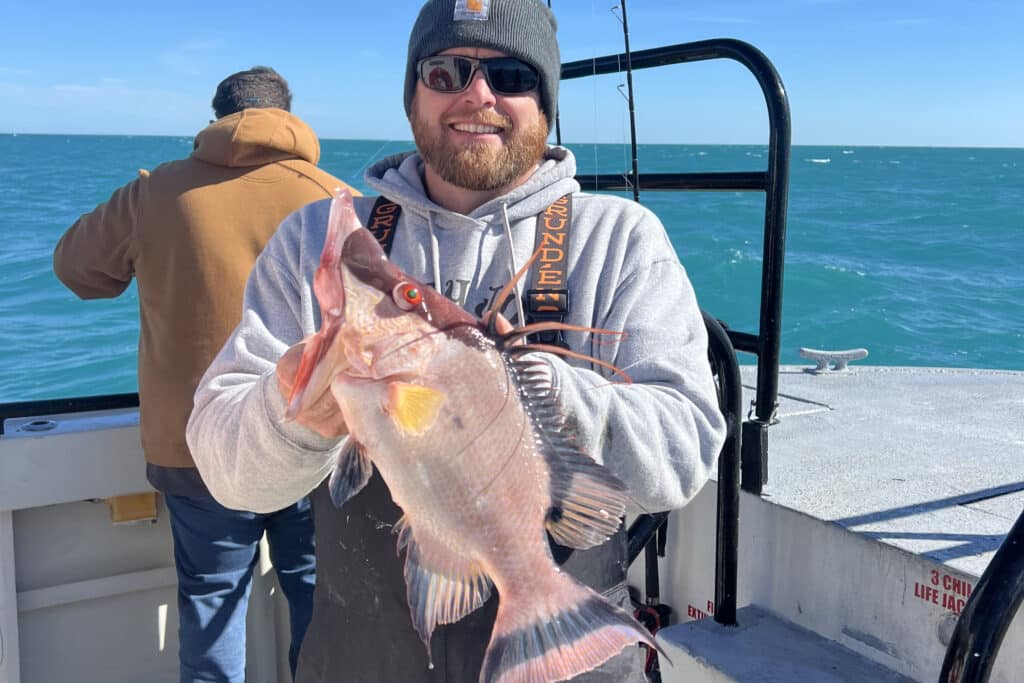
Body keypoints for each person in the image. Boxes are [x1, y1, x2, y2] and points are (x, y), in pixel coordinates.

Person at [187, 2, 726, 681]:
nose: (477, 94)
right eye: (446, 71)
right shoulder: (315, 242)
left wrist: (543, 396)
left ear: (547, 101)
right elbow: (226, 467)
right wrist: (292, 414)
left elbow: (685, 453)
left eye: (509, 74)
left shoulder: (620, 241)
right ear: (412, 93)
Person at [53, 66, 358, 682]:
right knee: (321, 605)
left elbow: (74, 269)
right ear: (291, 115)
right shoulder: (336, 198)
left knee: (211, 600)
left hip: (192, 447)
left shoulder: (155, 193)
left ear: (215, 117)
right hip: (313, 441)